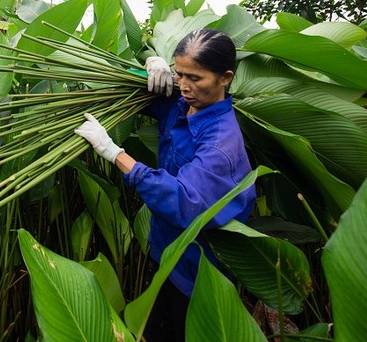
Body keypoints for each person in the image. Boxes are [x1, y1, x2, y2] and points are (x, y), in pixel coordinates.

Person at [75, 29, 256, 341]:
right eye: (179, 73)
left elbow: (183, 202)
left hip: (196, 267)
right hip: (166, 251)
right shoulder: (182, 102)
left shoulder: (220, 143)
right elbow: (136, 90)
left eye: (195, 78)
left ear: (225, 78)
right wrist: (148, 65)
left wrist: (113, 152)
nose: (184, 86)